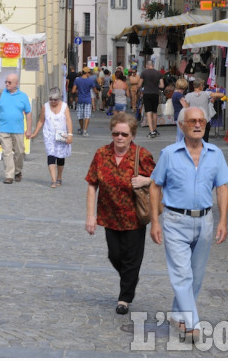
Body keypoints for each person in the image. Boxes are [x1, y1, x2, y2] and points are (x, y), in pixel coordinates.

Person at [149, 107, 228, 341]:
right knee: (182, 274)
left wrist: (223, 220)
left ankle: (178, 315)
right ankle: (192, 323)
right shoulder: (169, 154)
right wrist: (155, 221)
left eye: (202, 121)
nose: (198, 125)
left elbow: (222, 188)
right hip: (175, 220)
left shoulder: (215, 154)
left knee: (196, 275)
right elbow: (155, 186)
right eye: (192, 121)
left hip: (205, 220)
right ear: (181, 125)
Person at [85, 112, 156, 316]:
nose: (119, 137)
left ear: (132, 135)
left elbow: (161, 178)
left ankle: (124, 298)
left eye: (124, 134)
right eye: (116, 133)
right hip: (109, 216)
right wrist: (91, 216)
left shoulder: (141, 155)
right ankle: (130, 278)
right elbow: (92, 185)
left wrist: (146, 180)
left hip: (134, 216)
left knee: (131, 259)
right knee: (114, 255)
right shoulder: (101, 154)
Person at [0, 73, 32, 184]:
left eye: (9, 82)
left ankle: (18, 171)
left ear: (16, 83)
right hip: (4, 128)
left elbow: (28, 113)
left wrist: (29, 129)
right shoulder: (0, 94)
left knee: (20, 152)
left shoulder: (23, 96)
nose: (7, 84)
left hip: (18, 129)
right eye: (6, 82)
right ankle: (9, 175)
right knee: (6, 152)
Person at [29, 87, 73, 188]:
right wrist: (35, 133)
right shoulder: (45, 106)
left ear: (59, 98)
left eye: (55, 100)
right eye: (51, 99)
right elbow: (41, 120)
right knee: (51, 155)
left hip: (62, 134)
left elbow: (68, 120)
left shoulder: (64, 106)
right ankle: (53, 180)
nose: (53, 101)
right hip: (49, 135)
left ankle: (59, 177)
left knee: (60, 157)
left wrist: (70, 134)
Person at [183, 78, 224, 143]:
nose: (204, 87)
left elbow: (186, 109)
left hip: (193, 121)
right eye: (203, 85)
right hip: (204, 120)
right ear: (200, 86)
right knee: (205, 140)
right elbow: (221, 95)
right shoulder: (206, 94)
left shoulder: (188, 96)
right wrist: (214, 96)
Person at [140, 60, 165, 138]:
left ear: (147, 65)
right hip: (155, 94)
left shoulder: (144, 73)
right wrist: (155, 85)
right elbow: (162, 86)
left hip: (147, 94)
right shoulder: (158, 73)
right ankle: (155, 129)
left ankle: (151, 132)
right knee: (154, 112)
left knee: (148, 113)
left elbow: (139, 84)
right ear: (153, 65)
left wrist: (144, 86)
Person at [72, 66, 98, 137]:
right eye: (89, 72)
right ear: (86, 73)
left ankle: (81, 128)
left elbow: (73, 90)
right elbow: (95, 90)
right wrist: (97, 93)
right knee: (87, 115)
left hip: (80, 99)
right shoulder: (90, 81)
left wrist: (79, 91)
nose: (89, 74)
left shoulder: (77, 80)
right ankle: (85, 131)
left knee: (80, 115)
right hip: (87, 100)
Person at [172, 78, 189, 142]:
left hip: (177, 115)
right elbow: (185, 106)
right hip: (181, 116)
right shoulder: (179, 95)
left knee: (180, 134)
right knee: (181, 135)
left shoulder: (175, 94)